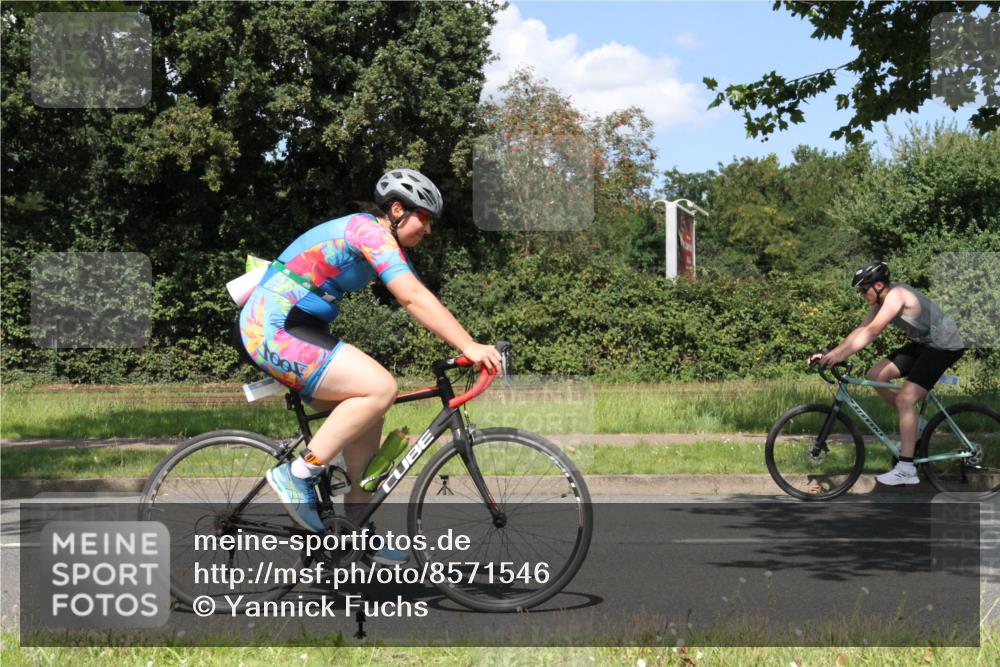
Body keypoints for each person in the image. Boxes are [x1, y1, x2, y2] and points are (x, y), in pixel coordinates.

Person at [237, 168, 502, 562]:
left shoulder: (377, 238)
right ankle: (296, 475)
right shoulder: (369, 232)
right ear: (397, 209)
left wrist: (466, 343)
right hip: (272, 327)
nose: (428, 230)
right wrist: (469, 344)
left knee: (370, 413)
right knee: (380, 387)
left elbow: (415, 294)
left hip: (297, 327)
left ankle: (355, 532)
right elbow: (412, 297)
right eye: (424, 218)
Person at [813, 261, 965, 486]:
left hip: (945, 345)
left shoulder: (896, 296)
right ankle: (914, 424)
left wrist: (839, 356)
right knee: (876, 375)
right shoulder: (881, 300)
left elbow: (873, 331)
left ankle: (906, 468)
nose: (862, 294)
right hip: (925, 343)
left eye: (864, 289)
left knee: (905, 399)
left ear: (879, 285)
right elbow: (861, 329)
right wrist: (832, 353)